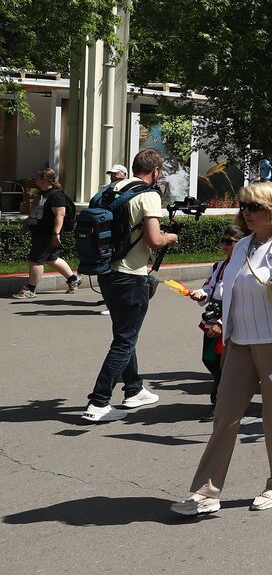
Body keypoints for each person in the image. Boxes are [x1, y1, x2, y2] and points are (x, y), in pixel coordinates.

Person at [171, 182, 272, 516]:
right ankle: (207, 491)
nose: (247, 213)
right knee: (225, 414)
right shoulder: (241, 247)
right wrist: (223, 324)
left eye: (255, 207)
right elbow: (232, 292)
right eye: (244, 206)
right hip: (240, 343)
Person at [82, 150, 178, 422]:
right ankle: (99, 402)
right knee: (125, 339)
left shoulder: (108, 190)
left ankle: (134, 390)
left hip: (105, 270)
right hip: (130, 275)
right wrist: (170, 237)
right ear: (156, 171)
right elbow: (154, 240)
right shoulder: (148, 195)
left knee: (125, 333)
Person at [189, 225, 243, 420]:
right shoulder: (219, 266)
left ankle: (219, 403)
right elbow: (210, 287)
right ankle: (230, 397)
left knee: (223, 364)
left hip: (232, 319)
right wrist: (199, 294)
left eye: (229, 242)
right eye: (223, 241)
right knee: (209, 359)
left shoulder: (244, 267)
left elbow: (240, 299)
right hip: (214, 316)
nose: (224, 245)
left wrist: (222, 323)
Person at [17, 167, 78, 298]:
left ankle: (30, 289)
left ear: (44, 179)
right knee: (51, 259)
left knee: (36, 259)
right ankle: (73, 279)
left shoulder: (56, 195)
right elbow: (35, 213)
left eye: (37, 177)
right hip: (39, 231)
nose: (35, 179)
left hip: (48, 233)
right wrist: (26, 226)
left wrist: (56, 234)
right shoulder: (40, 194)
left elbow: (60, 215)